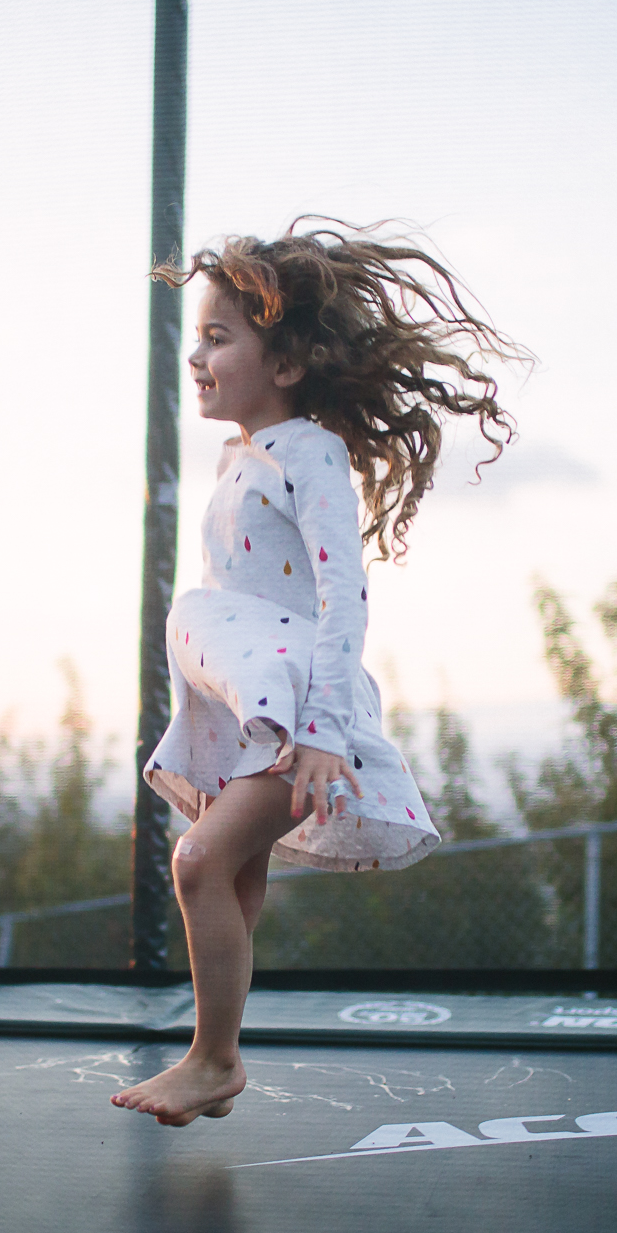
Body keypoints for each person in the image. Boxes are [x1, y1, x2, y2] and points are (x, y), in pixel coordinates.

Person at [111, 220, 525, 1126]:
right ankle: (215, 1061)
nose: (198, 356)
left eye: (220, 337)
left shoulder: (310, 453)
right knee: (235, 879)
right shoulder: (242, 458)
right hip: (257, 716)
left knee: (196, 862)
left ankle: (213, 1058)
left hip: (302, 725)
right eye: (198, 338)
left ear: (287, 362)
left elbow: (345, 599)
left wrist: (322, 736)